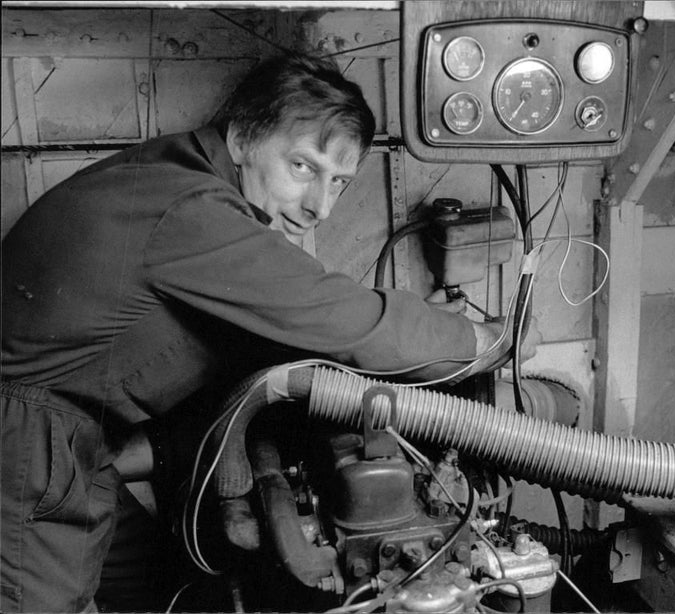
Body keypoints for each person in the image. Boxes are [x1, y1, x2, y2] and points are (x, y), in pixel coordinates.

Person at [1, 51, 538, 613]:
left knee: (152, 587)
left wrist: (413, 328)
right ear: (241, 139)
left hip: (71, 446)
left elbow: (292, 324)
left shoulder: (172, 184)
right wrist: (488, 341)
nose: (320, 208)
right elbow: (335, 315)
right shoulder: (185, 206)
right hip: (26, 448)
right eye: (303, 168)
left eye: (340, 184)